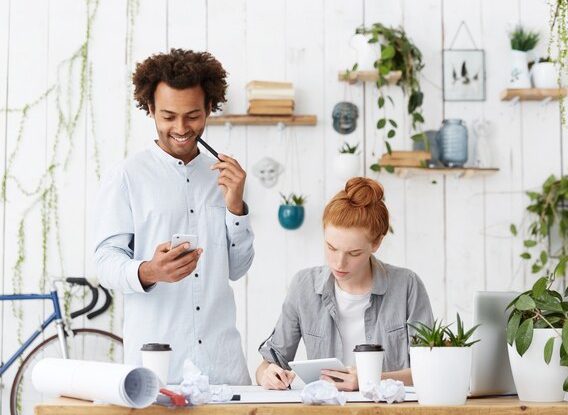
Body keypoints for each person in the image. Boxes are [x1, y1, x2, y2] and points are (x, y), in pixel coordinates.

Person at [94, 48, 254, 384]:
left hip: (222, 367)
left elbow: (236, 269)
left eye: (193, 115)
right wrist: (149, 271)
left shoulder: (224, 176)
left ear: (209, 107)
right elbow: (105, 262)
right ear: (150, 109)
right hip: (156, 368)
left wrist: (236, 207)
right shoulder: (126, 177)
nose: (181, 128)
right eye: (168, 116)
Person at [256, 177, 433, 390]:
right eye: (331, 248)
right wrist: (266, 374)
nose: (339, 263)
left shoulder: (407, 286)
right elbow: (271, 360)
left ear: (376, 242)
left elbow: (430, 369)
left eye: (354, 253)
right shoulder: (303, 286)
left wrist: (370, 381)